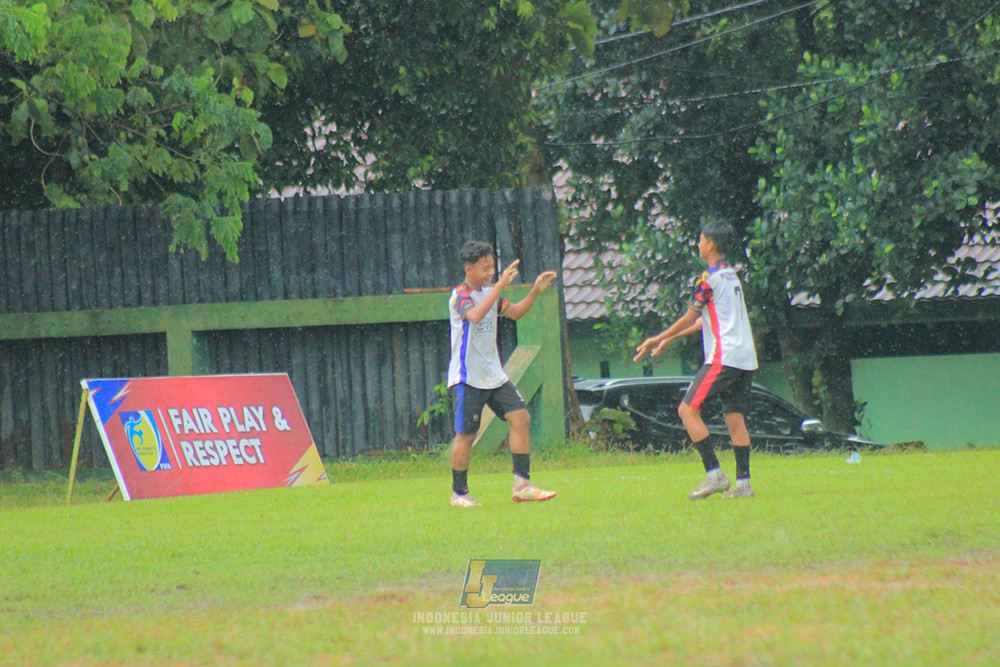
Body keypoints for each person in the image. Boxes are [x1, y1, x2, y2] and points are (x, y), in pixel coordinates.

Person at [633, 221, 759, 499]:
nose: (698, 244)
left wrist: (656, 338)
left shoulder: (708, 280)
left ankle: (714, 475)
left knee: (687, 411)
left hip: (722, 357)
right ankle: (743, 484)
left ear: (710, 244)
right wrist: (670, 339)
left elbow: (691, 316)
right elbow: (708, 321)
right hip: (744, 358)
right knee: (735, 419)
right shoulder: (732, 275)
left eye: (700, 240)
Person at [447, 240, 559, 507]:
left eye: (492, 268)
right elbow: (473, 316)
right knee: (467, 436)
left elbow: (517, 312)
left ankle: (523, 485)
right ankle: (459, 494)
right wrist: (497, 288)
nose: (490, 273)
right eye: (485, 268)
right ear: (469, 269)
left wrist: (534, 291)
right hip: (467, 377)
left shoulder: (491, 293)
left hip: (493, 375)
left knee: (521, 418)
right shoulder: (460, 295)